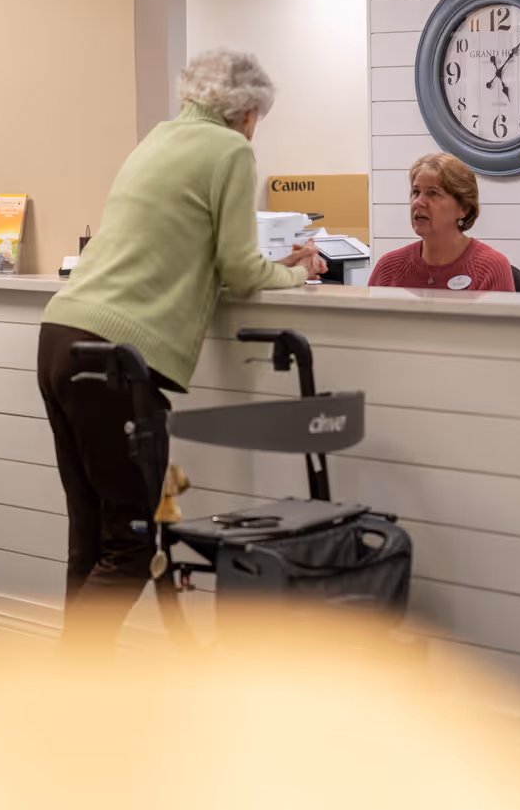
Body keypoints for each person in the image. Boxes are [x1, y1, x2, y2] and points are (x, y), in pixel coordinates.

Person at [37, 49, 325, 642]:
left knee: (91, 536)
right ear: (245, 112)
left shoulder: (157, 140)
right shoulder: (231, 151)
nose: (254, 131)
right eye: (257, 120)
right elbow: (241, 270)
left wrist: (261, 265)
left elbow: (193, 252)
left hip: (60, 336)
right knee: (135, 543)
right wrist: (298, 273)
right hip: (116, 355)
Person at [367, 152, 516, 291]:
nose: (419, 202)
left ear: (463, 208)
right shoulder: (388, 268)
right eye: (416, 192)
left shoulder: (491, 268)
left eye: (433, 193)